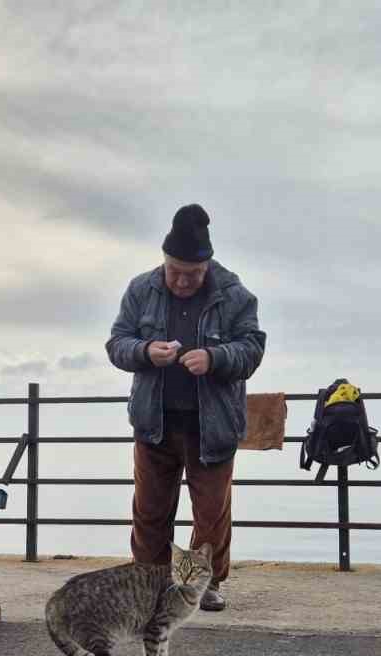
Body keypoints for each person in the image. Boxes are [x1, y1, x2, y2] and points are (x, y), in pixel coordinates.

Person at [105, 203, 266, 611]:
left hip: (212, 425)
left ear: (207, 266)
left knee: (211, 512)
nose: (181, 280)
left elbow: (252, 349)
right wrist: (144, 350)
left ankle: (206, 584)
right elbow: (117, 344)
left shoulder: (236, 295)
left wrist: (215, 358)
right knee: (150, 510)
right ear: (164, 262)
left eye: (191, 274)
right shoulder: (141, 290)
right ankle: (149, 583)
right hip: (154, 422)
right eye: (174, 271)